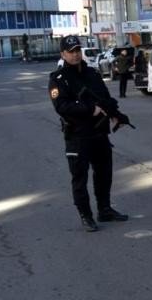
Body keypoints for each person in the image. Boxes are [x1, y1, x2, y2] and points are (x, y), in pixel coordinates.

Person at [49, 35, 132, 232]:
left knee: (104, 174)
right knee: (80, 179)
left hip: (99, 134)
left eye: (78, 50)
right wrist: (89, 109)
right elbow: (61, 106)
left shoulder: (92, 74)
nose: (76, 54)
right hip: (78, 137)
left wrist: (116, 115)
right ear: (63, 54)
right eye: (71, 51)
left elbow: (105, 98)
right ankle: (86, 215)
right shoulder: (59, 78)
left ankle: (104, 209)